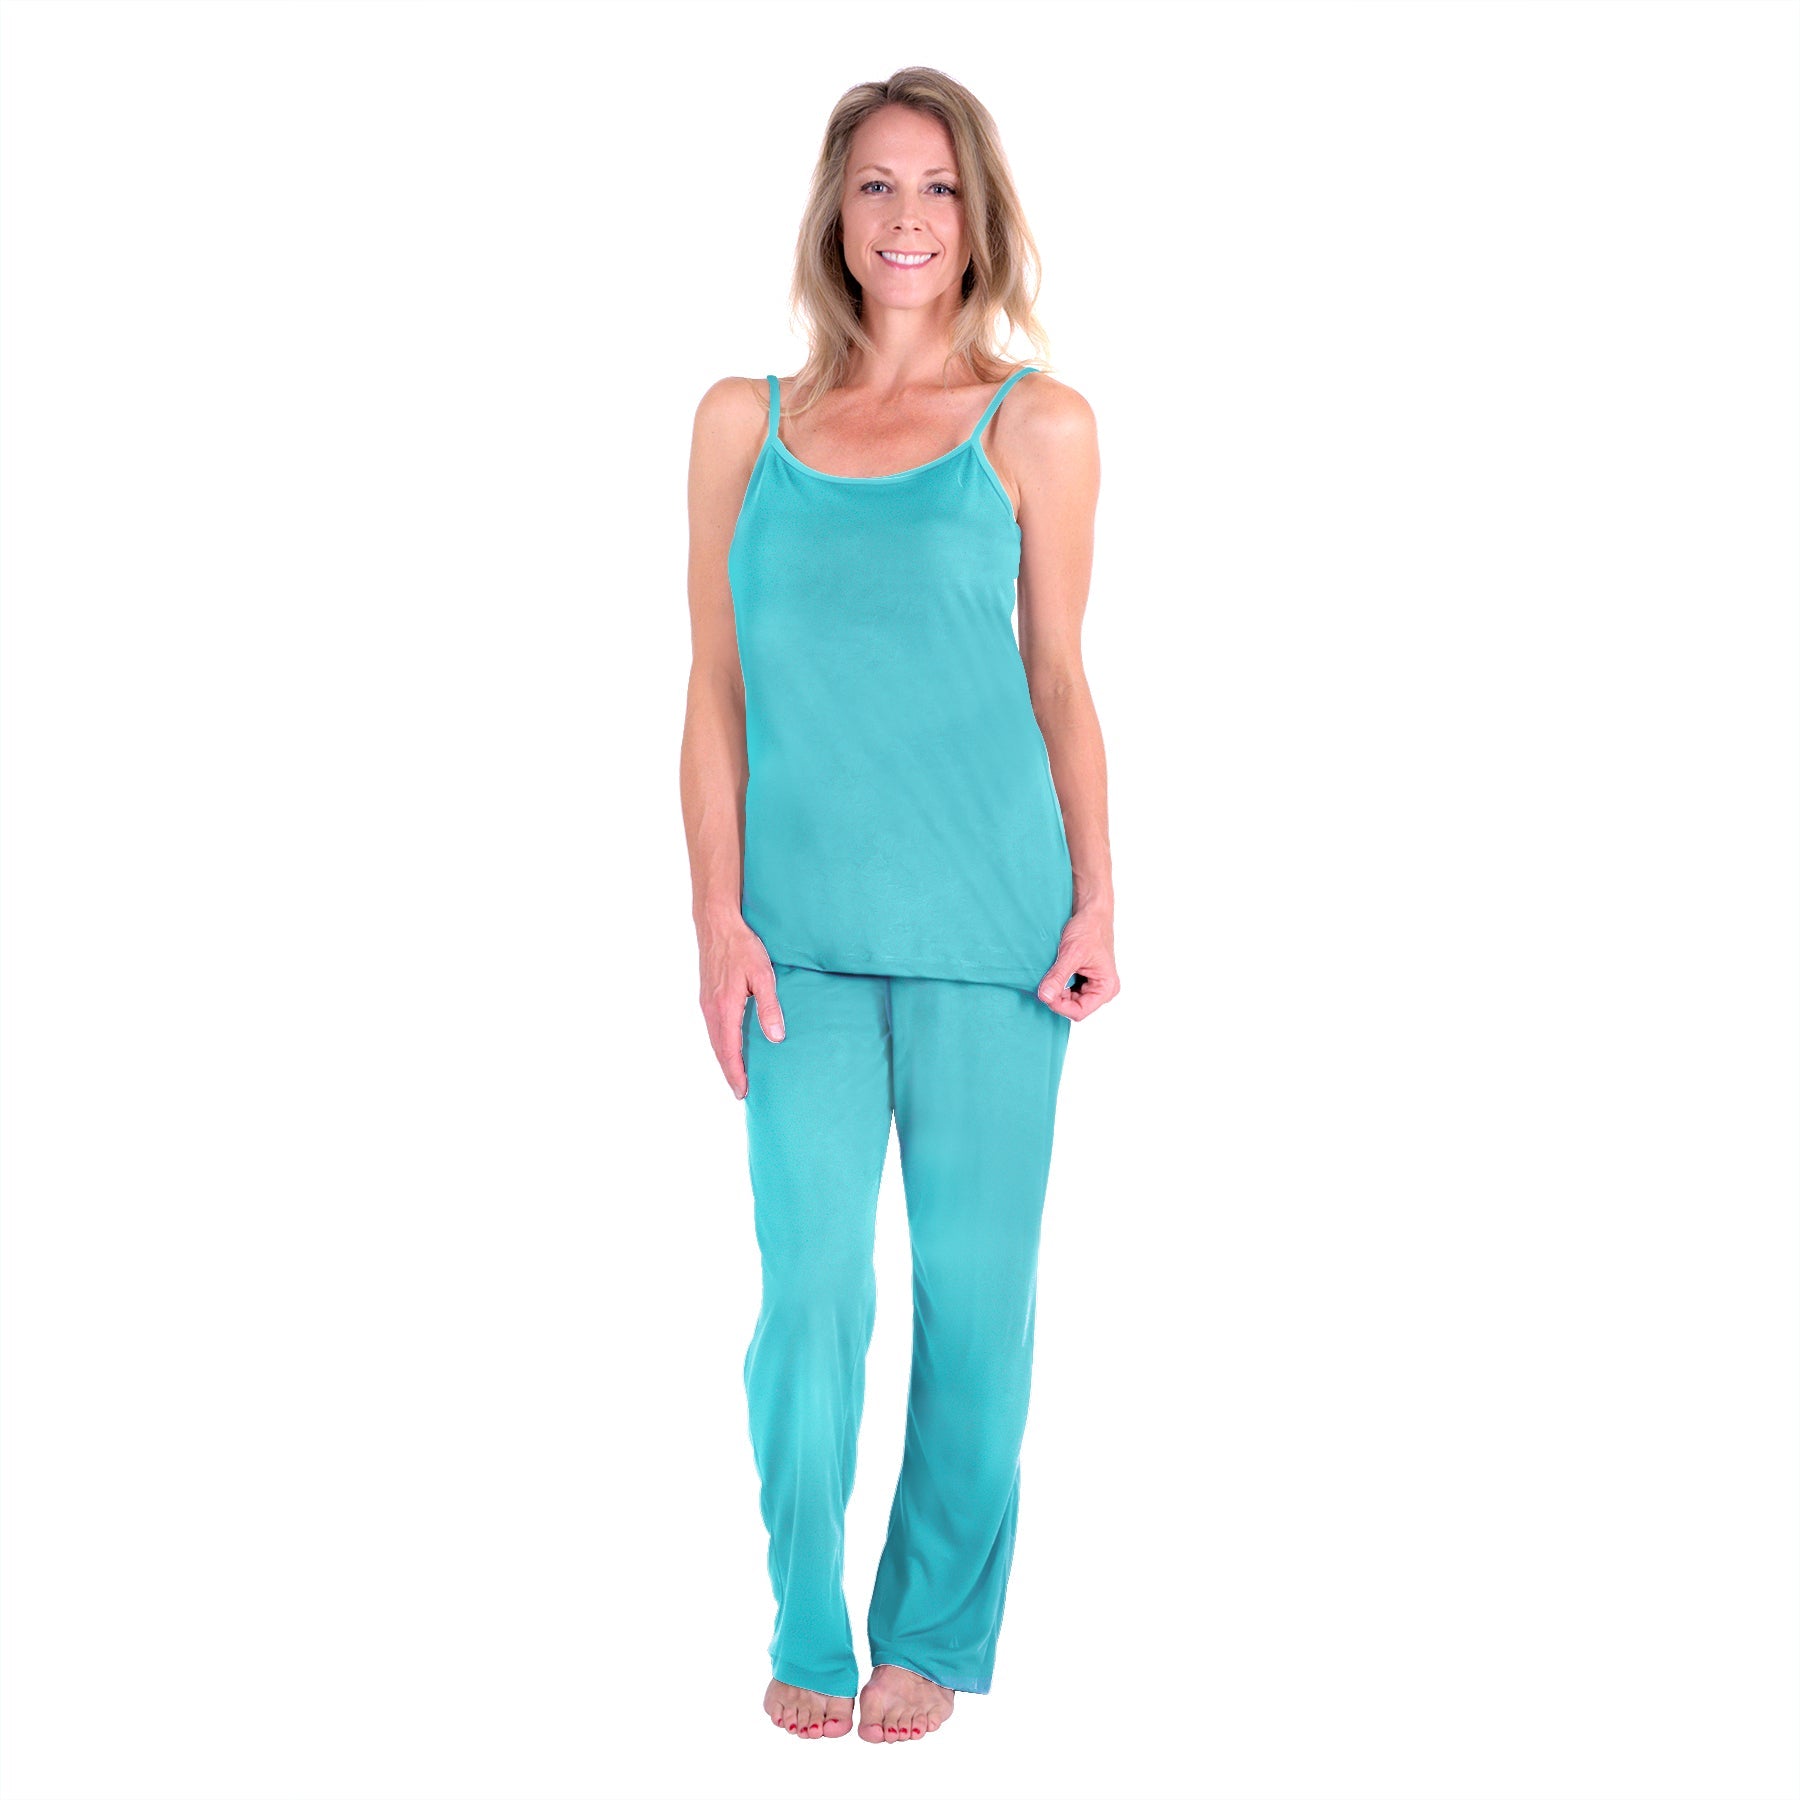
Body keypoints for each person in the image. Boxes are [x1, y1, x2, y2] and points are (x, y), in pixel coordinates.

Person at [680, 65, 1118, 1746]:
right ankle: (805, 1608)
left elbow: (1059, 679)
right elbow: (713, 693)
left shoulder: (1039, 427)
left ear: (978, 216)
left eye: (937, 187)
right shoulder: (745, 425)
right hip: (794, 937)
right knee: (811, 1297)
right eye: (876, 184)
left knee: (975, 1299)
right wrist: (715, 919)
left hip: (997, 932)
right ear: (835, 213)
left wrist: (1097, 901)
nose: (908, 217)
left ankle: (931, 1624)